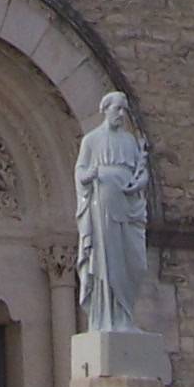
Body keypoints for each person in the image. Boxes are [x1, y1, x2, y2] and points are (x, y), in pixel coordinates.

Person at [75, 93, 150, 332]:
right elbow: (80, 173)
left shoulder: (129, 142)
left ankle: (126, 317)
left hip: (130, 206)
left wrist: (138, 184)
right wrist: (94, 173)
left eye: (124, 110)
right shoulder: (92, 140)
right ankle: (108, 319)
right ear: (104, 109)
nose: (121, 114)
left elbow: (143, 172)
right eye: (117, 109)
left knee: (134, 262)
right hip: (104, 206)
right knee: (109, 261)